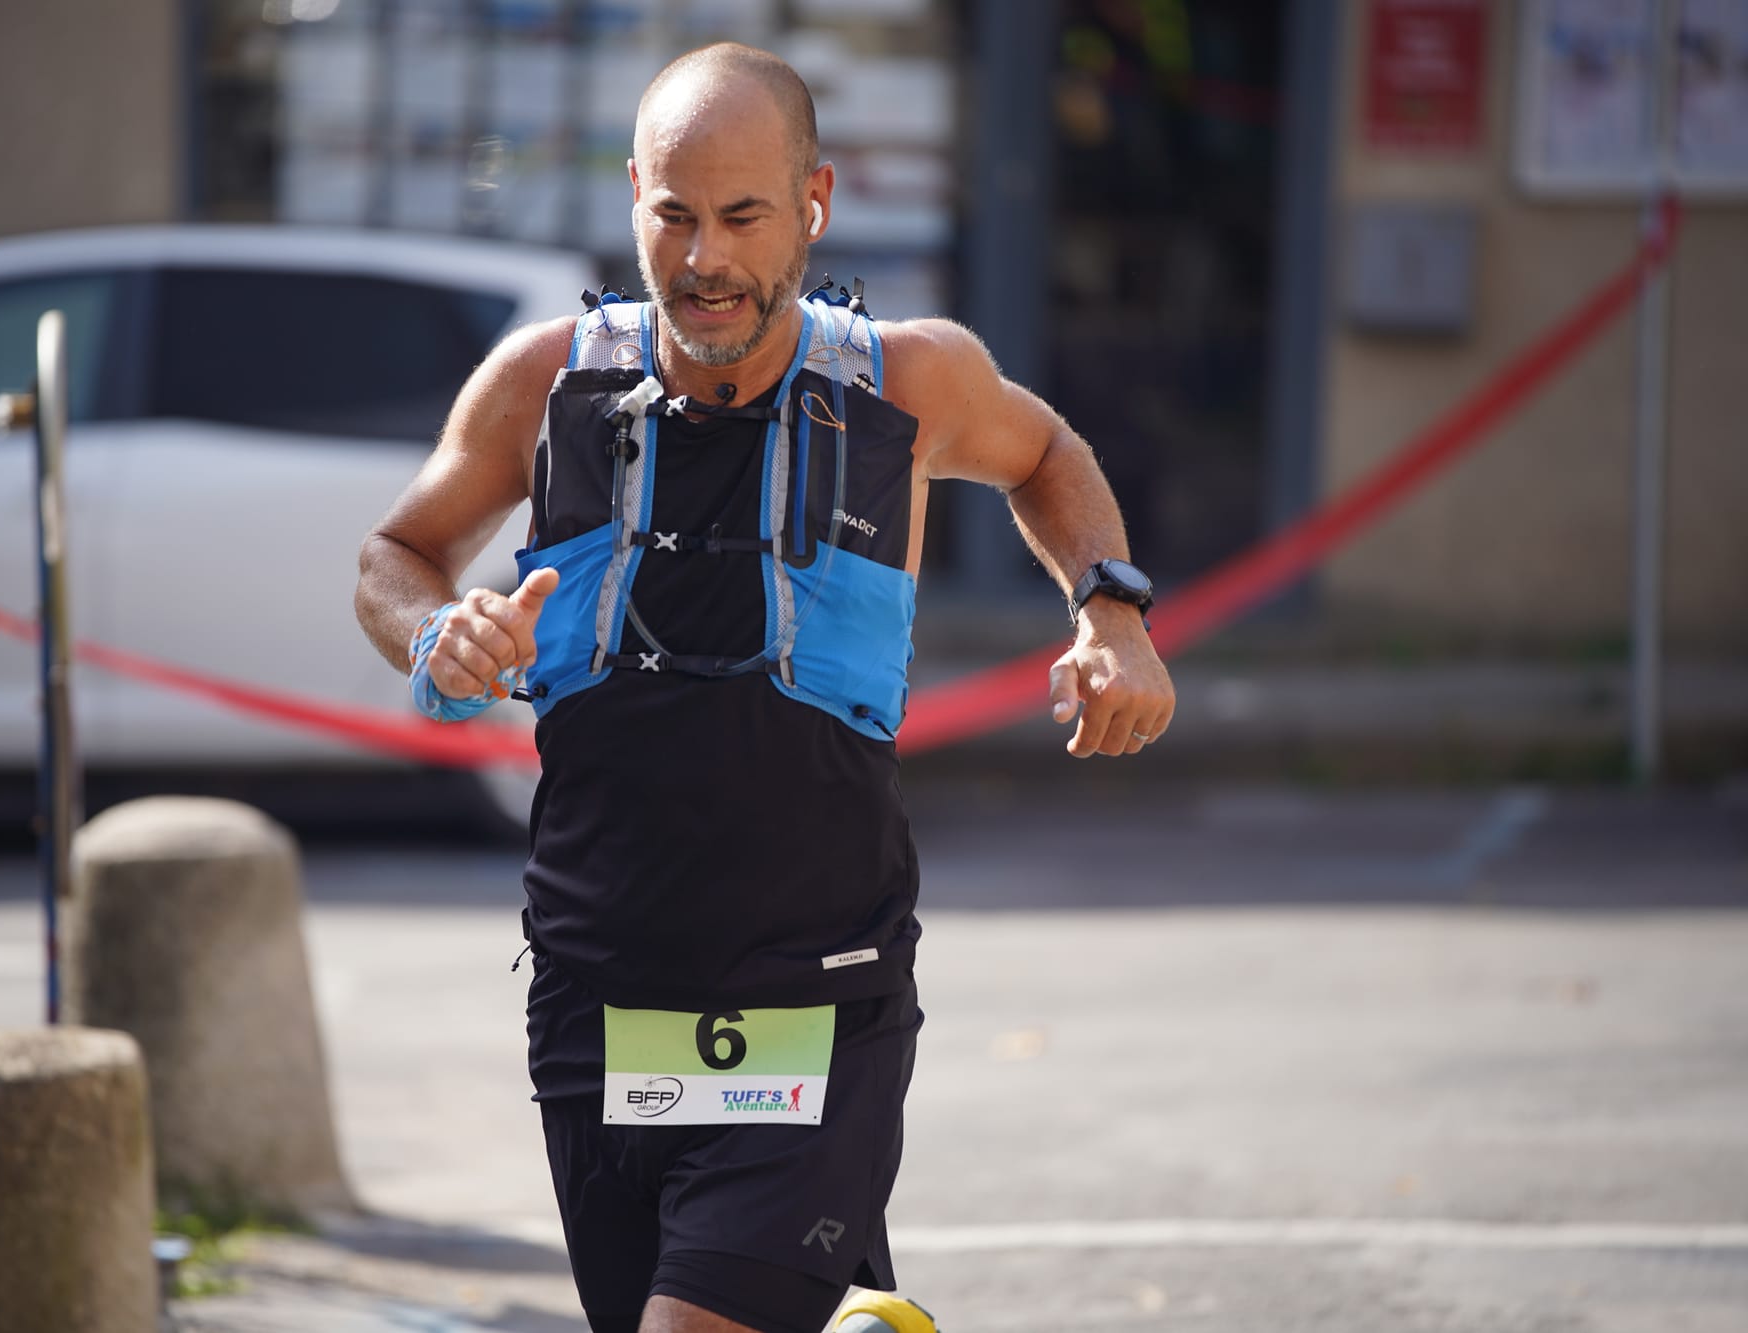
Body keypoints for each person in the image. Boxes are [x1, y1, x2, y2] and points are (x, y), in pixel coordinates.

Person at [354, 42, 1174, 1333]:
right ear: (632, 193)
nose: (704, 259)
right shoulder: (543, 384)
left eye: (742, 215)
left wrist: (1113, 612)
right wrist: (435, 630)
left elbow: (1049, 453)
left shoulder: (908, 381)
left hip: (816, 998)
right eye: (673, 214)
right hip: (594, 1003)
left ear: (815, 202)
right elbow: (393, 555)